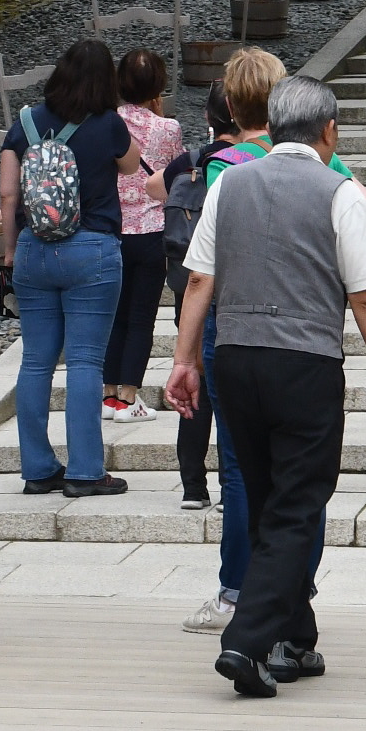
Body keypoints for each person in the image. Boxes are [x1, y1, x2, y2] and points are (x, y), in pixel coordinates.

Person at [164, 76, 366, 695]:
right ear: (330, 131)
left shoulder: (230, 183)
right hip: (305, 361)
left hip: (236, 358)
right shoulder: (339, 192)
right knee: (299, 502)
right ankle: (246, 640)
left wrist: (184, 359)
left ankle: (298, 638)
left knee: (267, 495)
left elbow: (197, 283)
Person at [0, 38, 147, 502]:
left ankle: (38, 468)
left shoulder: (23, 124)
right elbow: (131, 167)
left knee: (36, 361)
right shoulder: (108, 125)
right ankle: (85, 471)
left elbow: (6, 195)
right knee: (85, 361)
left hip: (32, 251)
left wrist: (8, 251)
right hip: (92, 251)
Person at [160, 80, 239, 512]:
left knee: (192, 386)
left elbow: (157, 188)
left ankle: (192, 486)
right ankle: (232, 486)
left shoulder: (191, 162)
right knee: (225, 391)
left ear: (208, 118)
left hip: (190, 284)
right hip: (233, 289)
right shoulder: (249, 162)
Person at [103, 47, 185, 421]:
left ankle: (106, 394)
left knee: (113, 315)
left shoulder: (107, 122)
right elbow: (175, 177)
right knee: (141, 317)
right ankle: (129, 397)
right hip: (152, 232)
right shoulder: (168, 129)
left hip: (112, 230)